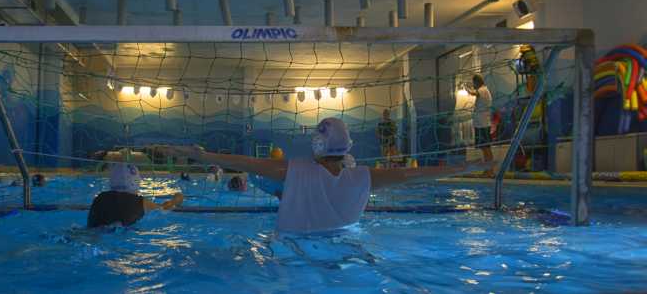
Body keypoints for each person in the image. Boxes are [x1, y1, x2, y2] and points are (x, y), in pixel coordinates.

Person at [150, 117, 493, 234]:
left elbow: (239, 160)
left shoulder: (291, 171)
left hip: (291, 252)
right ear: (348, 148)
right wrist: (466, 167)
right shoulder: (365, 177)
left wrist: (195, 153)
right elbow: (410, 176)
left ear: (316, 144)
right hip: (345, 247)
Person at [87, 163, 184, 228]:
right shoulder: (140, 202)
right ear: (136, 181)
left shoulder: (100, 198)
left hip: (94, 234)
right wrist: (176, 200)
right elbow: (164, 208)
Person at [466, 74, 495, 170]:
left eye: (474, 83)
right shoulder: (484, 90)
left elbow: (474, 93)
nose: (473, 85)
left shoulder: (483, 90)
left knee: (486, 148)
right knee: (484, 148)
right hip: (481, 124)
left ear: (477, 82)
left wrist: (466, 88)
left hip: (483, 124)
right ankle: (488, 169)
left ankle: (490, 170)